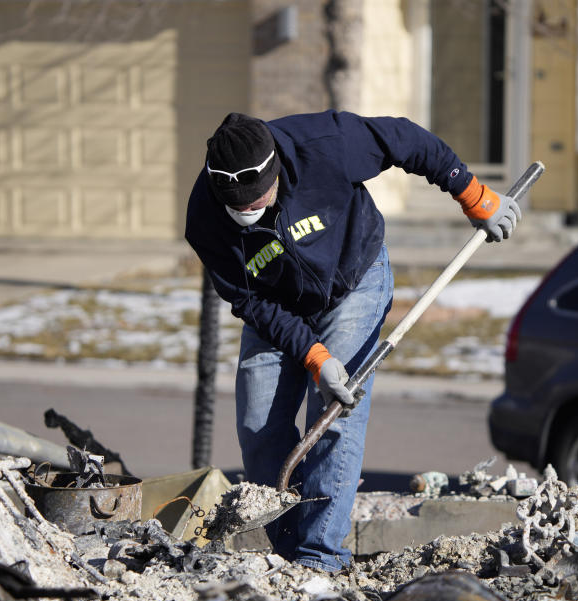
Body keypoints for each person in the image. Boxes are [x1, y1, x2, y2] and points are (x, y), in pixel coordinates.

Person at [184, 110, 520, 572]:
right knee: (259, 428)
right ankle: (286, 560)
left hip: (354, 282)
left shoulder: (327, 143)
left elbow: (407, 140)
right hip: (278, 306)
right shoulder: (204, 219)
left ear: (275, 169)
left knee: (334, 413)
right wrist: (314, 355)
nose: (247, 212)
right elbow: (252, 304)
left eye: (256, 201)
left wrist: (473, 193)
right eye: (236, 207)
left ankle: (320, 556)